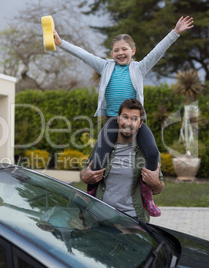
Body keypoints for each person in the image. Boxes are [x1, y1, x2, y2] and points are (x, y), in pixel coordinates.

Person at [53, 16, 193, 216]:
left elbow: (158, 52)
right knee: (99, 158)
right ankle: (91, 192)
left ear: (133, 51)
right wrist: (61, 43)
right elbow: (83, 54)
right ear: (112, 53)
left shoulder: (139, 68)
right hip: (112, 121)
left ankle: (147, 195)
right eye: (116, 50)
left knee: (152, 153)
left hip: (135, 122)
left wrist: (175, 32)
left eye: (124, 49)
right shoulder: (105, 67)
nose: (120, 53)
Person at [80, 99, 164, 223]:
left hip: (133, 219)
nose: (128, 123)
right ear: (118, 119)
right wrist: (85, 177)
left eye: (134, 119)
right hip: (101, 216)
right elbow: (84, 173)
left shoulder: (147, 152)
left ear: (140, 123)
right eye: (125, 117)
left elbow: (159, 187)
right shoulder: (103, 146)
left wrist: (155, 183)